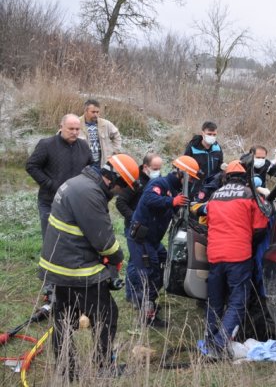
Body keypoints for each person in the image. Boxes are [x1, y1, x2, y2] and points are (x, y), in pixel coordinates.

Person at [38, 154, 139, 381]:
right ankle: (103, 368)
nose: (119, 193)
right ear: (112, 179)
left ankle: (67, 369)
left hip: (60, 265)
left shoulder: (78, 183)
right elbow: (103, 240)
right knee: (107, 315)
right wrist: (116, 258)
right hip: (77, 270)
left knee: (64, 319)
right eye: (121, 187)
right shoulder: (89, 193)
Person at [125, 155, 200, 327]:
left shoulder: (174, 190)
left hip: (153, 240)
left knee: (164, 264)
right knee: (149, 273)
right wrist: (172, 201)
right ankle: (146, 314)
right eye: (190, 179)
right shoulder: (159, 184)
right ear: (181, 174)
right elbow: (150, 199)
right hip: (142, 238)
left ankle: (145, 301)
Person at [203, 161, 268, 356]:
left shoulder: (214, 196)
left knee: (214, 301)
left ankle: (209, 340)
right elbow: (260, 227)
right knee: (238, 302)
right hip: (238, 255)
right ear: (245, 177)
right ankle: (219, 342)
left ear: (226, 177)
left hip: (214, 255)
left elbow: (208, 223)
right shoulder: (250, 196)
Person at [26, 114, 93, 238]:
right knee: (50, 238)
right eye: (70, 129)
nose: (74, 132)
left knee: (73, 239)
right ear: (61, 127)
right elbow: (31, 166)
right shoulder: (46, 144)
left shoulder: (83, 145)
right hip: (50, 200)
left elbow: (92, 167)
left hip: (76, 202)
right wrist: (50, 184)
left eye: (77, 129)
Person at [115, 152, 162, 303]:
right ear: (146, 167)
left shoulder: (157, 181)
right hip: (134, 228)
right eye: (155, 168)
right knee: (136, 262)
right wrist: (135, 217)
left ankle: (139, 291)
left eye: (160, 168)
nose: (158, 171)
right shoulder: (135, 181)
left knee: (138, 260)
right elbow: (120, 202)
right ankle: (133, 294)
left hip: (148, 229)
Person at [78, 98, 122, 167]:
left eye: (97, 112)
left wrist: (115, 151)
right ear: (85, 111)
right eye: (93, 112)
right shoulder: (76, 123)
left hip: (102, 162)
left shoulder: (105, 124)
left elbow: (117, 136)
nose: (96, 114)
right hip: (83, 163)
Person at [184, 121, 223, 190]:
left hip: (213, 187)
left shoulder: (217, 148)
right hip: (195, 187)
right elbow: (184, 167)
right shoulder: (192, 147)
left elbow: (219, 166)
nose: (212, 136)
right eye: (209, 134)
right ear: (203, 133)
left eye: (214, 134)